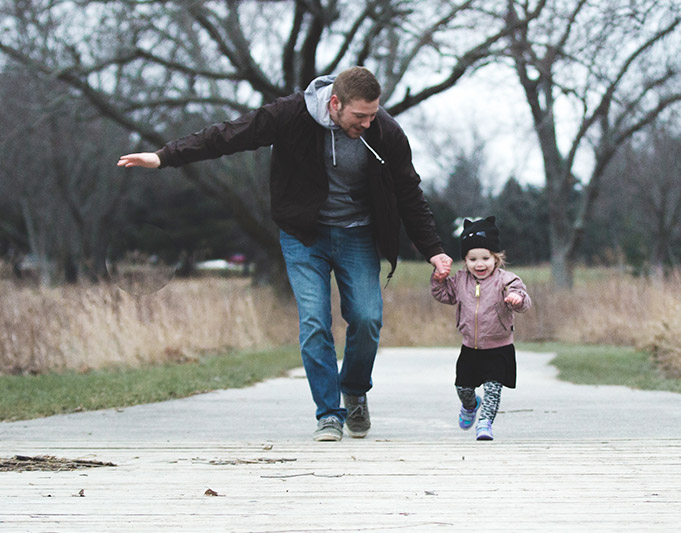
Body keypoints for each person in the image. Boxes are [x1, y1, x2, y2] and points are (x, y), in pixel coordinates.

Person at [117, 66, 453, 442]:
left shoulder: (384, 131)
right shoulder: (290, 114)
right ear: (335, 102)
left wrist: (434, 251)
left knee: (367, 318)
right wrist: (164, 157)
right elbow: (229, 135)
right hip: (303, 235)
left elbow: (409, 192)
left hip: (357, 234)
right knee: (314, 323)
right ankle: (329, 413)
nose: (367, 122)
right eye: (360, 116)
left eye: (373, 114)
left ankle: (355, 390)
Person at [430, 216, 530, 441]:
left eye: (486, 258)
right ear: (465, 260)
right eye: (473, 259)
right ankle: (471, 404)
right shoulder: (460, 280)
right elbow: (443, 295)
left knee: (493, 390)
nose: (480, 264)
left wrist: (517, 298)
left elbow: (524, 299)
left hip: (499, 348)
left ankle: (485, 424)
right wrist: (438, 280)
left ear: (496, 258)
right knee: (463, 388)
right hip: (470, 348)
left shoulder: (507, 281)